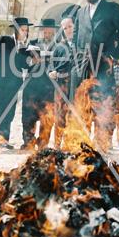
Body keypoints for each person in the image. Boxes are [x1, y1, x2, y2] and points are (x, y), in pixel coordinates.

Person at [72, 0, 119, 151]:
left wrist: (112, 56)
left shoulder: (112, 9)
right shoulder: (80, 12)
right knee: (83, 109)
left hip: (104, 69)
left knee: (103, 110)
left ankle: (102, 147)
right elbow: (76, 41)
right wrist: (78, 62)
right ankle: (83, 147)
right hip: (83, 70)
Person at [0, 17, 31, 149]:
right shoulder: (4, 39)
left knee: (8, 112)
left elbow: (22, 65)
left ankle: (3, 140)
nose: (24, 33)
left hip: (13, 85)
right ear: (16, 29)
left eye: (26, 30)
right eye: (22, 30)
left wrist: (30, 58)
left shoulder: (23, 47)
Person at [22, 18, 59, 148]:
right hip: (31, 86)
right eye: (45, 31)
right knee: (28, 116)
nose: (47, 33)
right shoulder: (32, 43)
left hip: (49, 87)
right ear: (42, 30)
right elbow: (23, 62)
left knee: (47, 117)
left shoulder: (58, 46)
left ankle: (43, 143)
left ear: (54, 31)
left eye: (50, 31)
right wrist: (32, 61)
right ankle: (29, 142)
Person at [49, 11, 78, 147]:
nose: (67, 30)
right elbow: (51, 64)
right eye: (65, 28)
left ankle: (69, 144)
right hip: (61, 86)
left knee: (74, 115)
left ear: (75, 26)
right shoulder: (59, 47)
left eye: (70, 26)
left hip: (77, 86)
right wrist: (51, 72)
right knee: (60, 115)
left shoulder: (81, 44)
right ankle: (57, 144)